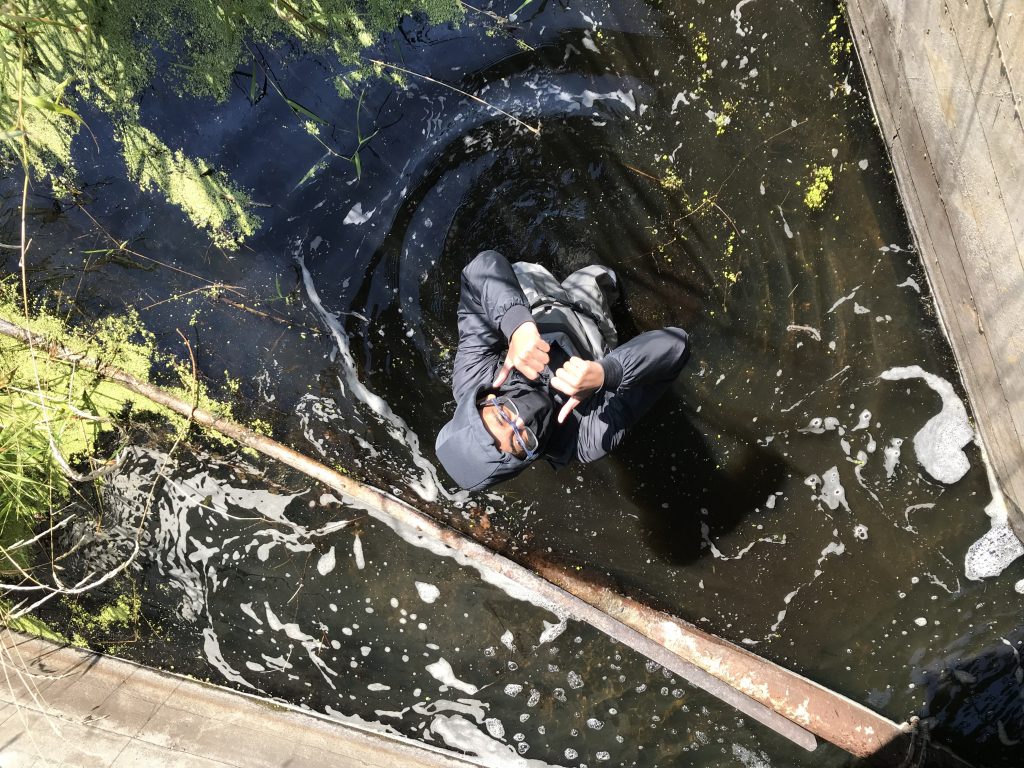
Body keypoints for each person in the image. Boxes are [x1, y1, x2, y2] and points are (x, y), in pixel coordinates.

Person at [435, 250, 690, 491]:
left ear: (485, 401)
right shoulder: (584, 439)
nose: (521, 421)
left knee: (515, 274)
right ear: (526, 459)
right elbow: (677, 344)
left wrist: (517, 325)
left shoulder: (472, 378)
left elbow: (480, 269)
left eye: (502, 417)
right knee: (604, 277)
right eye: (521, 441)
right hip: (588, 327)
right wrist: (607, 373)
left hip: (534, 301)